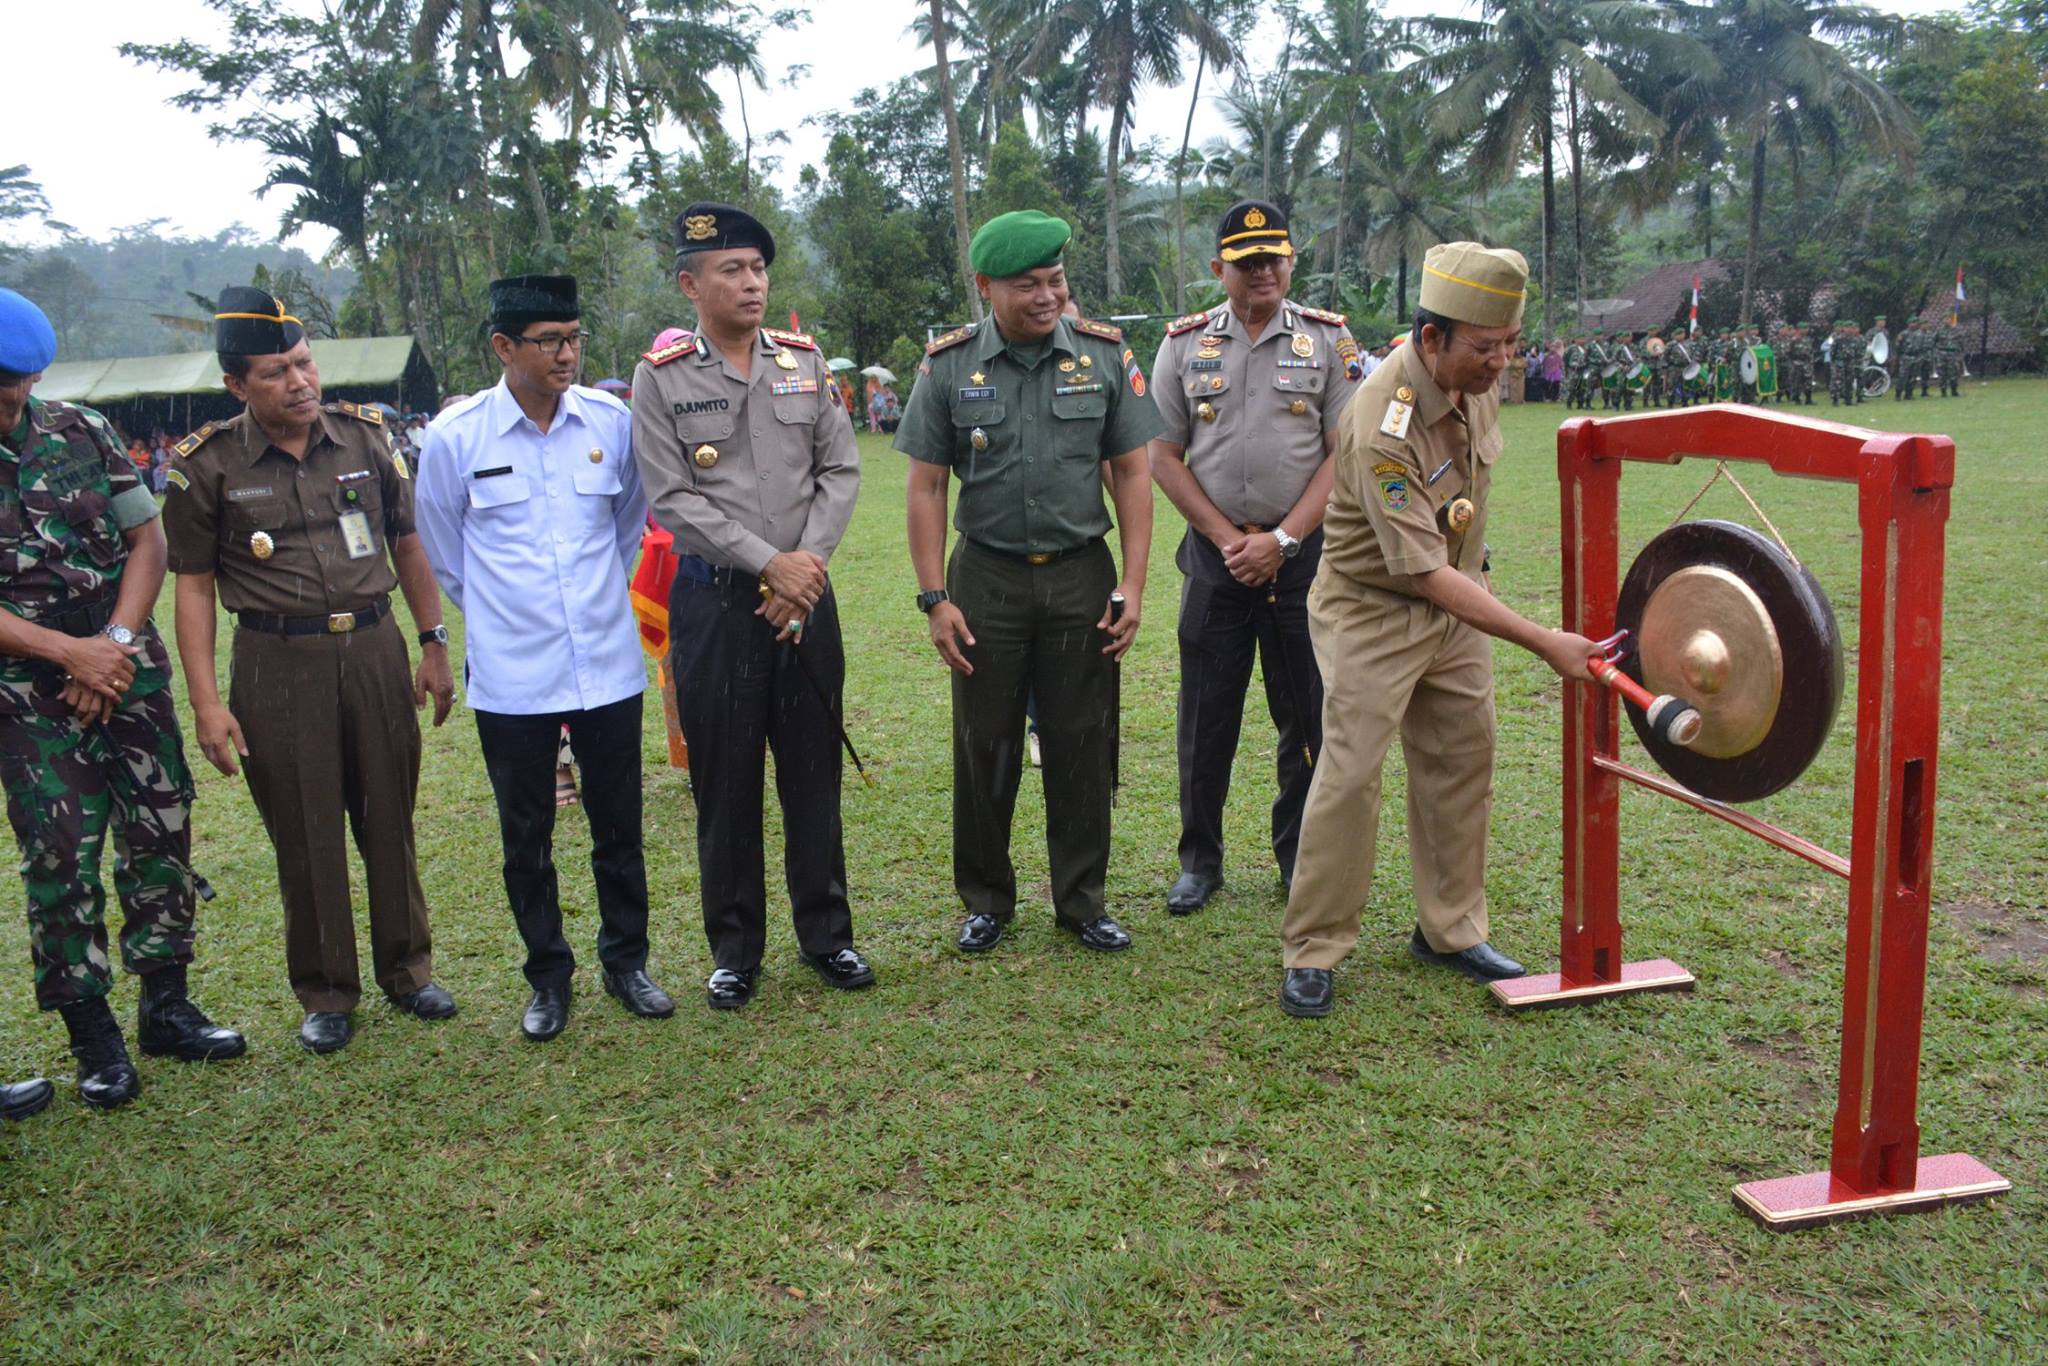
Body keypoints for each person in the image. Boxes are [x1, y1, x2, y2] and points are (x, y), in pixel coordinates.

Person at [1276, 243, 1600, 1019]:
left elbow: (1463, 513)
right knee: (1350, 773)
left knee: (1463, 757)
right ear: (1431, 338)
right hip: (1372, 608)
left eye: (1510, 346)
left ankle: (1449, 929)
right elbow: (1418, 570)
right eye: (1486, 348)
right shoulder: (1381, 422)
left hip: (1456, 604)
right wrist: (1543, 640)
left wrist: (1481, 581)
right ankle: (1314, 948)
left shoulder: (1476, 387)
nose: (1501, 364)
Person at [163, 287, 457, 1054]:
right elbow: (190, 587)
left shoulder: (364, 438)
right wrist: (205, 704)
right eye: (275, 372)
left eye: (303, 363)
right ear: (236, 385)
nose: (299, 382)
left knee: (388, 813)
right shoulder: (207, 467)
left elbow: (408, 542)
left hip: (372, 648)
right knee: (305, 828)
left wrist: (431, 642)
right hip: (274, 659)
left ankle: (409, 969)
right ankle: (327, 990)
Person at [0, 286, 245, 1109]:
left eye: (21, 380)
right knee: (61, 853)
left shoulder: (82, 429)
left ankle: (166, 1008)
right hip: (26, 688)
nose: (11, 394)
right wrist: (66, 652)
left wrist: (109, 646)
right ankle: (92, 1035)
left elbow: (148, 539)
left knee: (160, 826)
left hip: (122, 662)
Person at [417, 274, 674, 1041]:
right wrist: (507, 615)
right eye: (550, 341)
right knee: (525, 836)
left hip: (606, 659)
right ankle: (548, 976)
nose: (567, 354)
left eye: (575, 338)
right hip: (512, 674)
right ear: (504, 346)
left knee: (618, 825)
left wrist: (586, 602)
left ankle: (627, 961)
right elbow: (444, 552)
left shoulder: (611, 423)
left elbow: (628, 522)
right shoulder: (456, 438)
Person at [897, 209, 1161, 956]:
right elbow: (925, 488)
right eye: (1026, 285)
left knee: (1082, 738)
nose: (1046, 297)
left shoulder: (1105, 354)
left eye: (1055, 280)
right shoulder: (948, 366)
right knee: (985, 741)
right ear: (986, 288)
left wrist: (1133, 586)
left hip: (1082, 573)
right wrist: (934, 598)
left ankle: (1082, 902)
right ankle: (986, 899)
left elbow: (1134, 475)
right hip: (985, 579)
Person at [630, 203, 872, 1009]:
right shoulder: (660, 377)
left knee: (812, 774)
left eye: (759, 269)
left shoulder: (804, 363)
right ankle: (735, 950)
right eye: (732, 270)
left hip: (805, 602)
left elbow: (839, 472)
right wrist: (772, 564)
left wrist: (805, 569)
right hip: (718, 607)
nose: (751, 283)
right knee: (725, 784)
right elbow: (671, 498)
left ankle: (827, 937)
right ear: (690, 284)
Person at [1147, 200, 1359, 915]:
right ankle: (1199, 861)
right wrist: (1226, 539)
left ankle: (1297, 855)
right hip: (1216, 559)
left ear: (1291, 263)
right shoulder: (1182, 346)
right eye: (1246, 261)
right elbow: (1164, 458)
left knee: (1306, 715)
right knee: (1205, 718)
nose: (1262, 271)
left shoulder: (1329, 342)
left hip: (1303, 562)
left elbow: (1344, 457)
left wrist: (1284, 540)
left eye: (1274, 258)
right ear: (1219, 270)